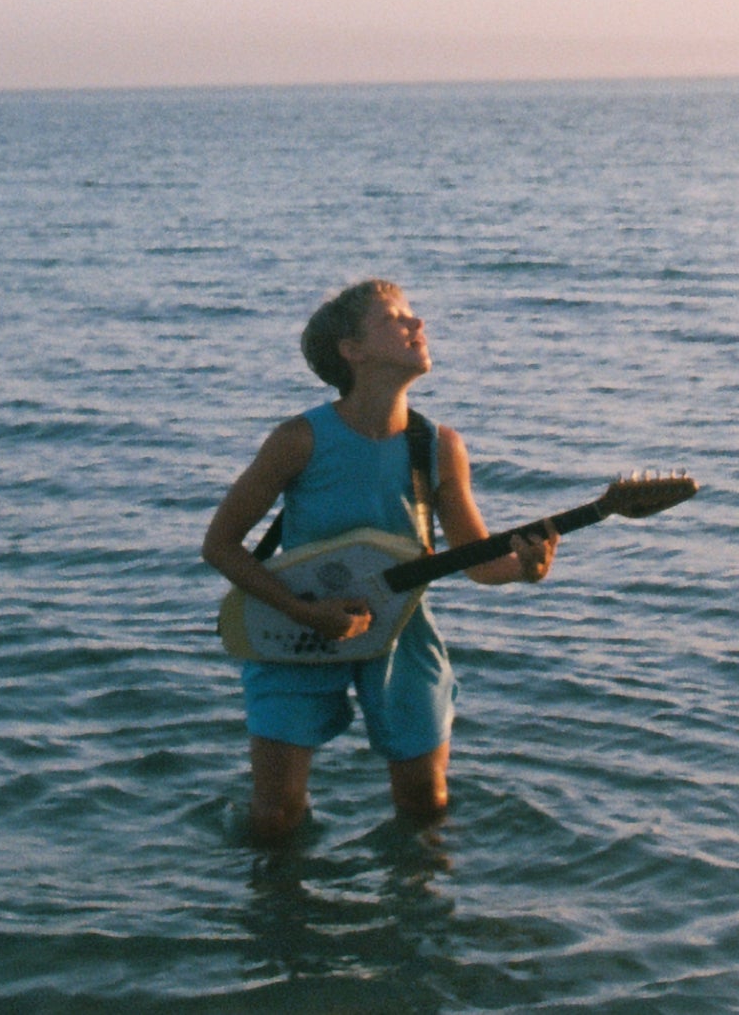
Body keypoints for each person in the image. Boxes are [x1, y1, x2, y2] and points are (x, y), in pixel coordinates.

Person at [202, 280, 557, 843]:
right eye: (395, 319)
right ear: (352, 350)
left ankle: (417, 917)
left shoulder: (439, 446)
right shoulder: (299, 439)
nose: (417, 325)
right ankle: (280, 917)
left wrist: (526, 567)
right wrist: (305, 612)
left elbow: (477, 561)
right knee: (274, 818)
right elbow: (219, 545)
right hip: (297, 622)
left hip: (402, 628)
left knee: (426, 804)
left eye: (413, 316)